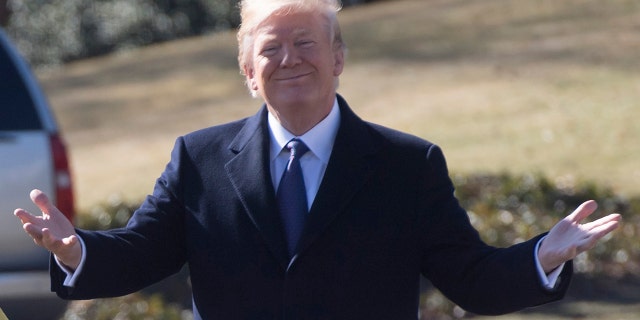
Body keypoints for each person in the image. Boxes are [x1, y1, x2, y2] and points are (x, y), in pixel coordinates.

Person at [14, 0, 621, 319]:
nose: (290, 59)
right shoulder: (197, 159)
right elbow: (141, 253)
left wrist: (542, 255)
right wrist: (76, 250)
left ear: (338, 59)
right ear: (250, 74)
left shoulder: (406, 165)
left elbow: (471, 280)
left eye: (307, 43)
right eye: (271, 49)